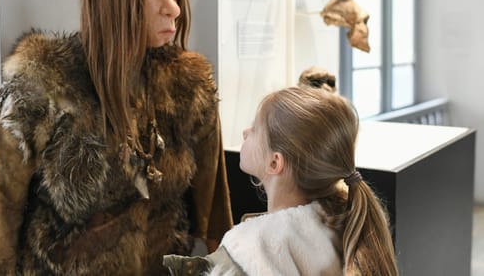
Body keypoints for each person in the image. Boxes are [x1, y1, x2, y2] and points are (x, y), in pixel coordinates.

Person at [0, 0, 233, 275]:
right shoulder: (47, 84)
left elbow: (214, 201)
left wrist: (226, 255)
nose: (173, 8)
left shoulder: (188, 86)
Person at [164, 86, 398, 275]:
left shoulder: (247, 252)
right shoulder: (345, 223)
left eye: (255, 129)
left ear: (275, 163)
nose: (245, 132)